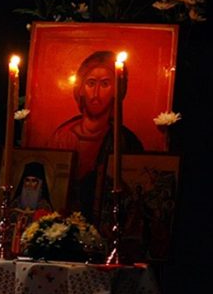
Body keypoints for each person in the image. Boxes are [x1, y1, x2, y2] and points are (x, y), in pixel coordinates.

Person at [50, 50, 143, 215]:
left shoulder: (124, 140)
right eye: (91, 83)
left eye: (105, 84)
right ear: (80, 89)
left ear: (117, 90)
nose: (96, 93)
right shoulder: (62, 136)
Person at [6, 161, 54, 257]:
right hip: (13, 245)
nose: (30, 184)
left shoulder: (44, 205)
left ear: (40, 184)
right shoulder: (16, 203)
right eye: (27, 180)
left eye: (34, 181)